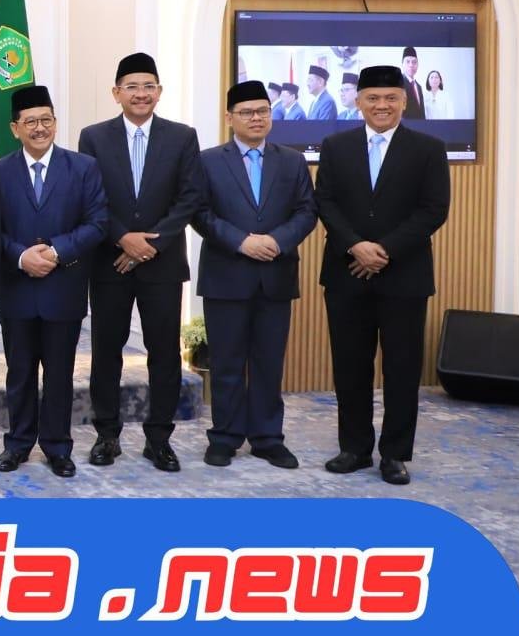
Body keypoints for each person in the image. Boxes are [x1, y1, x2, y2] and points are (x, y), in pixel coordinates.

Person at [315, 64, 450, 485]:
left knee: (402, 369)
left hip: (404, 276)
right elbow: (325, 202)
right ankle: (354, 448)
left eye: (391, 98)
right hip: (346, 272)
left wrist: (384, 250)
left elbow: (434, 209)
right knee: (350, 366)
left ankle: (394, 454)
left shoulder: (428, 149)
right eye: (373, 98)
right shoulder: (335, 146)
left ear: (404, 102)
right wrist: (356, 245)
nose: (382, 105)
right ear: (359, 102)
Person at [75, 53, 203, 472]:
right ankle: (107, 435)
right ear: (116, 93)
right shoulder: (94, 137)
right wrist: (123, 239)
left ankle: (159, 438)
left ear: (159, 92)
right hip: (110, 262)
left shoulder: (182, 137)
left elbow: (189, 198)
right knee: (106, 352)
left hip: (162, 265)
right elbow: (90, 197)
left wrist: (151, 244)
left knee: (163, 353)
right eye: (132, 86)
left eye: (149, 86)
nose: (141, 93)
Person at [191, 81, 319, 469]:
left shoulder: (292, 161)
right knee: (226, 362)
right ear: (229, 117)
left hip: (275, 275)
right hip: (226, 274)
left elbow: (307, 211)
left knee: (268, 362)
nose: (256, 118)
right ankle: (225, 437)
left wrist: (277, 241)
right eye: (247, 112)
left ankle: (267, 438)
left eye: (263, 111)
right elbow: (199, 212)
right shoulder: (207, 161)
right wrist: (242, 241)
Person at [0, 85, 108, 477]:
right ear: (15, 128)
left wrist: (57, 252)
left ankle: (58, 447)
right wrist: (21, 256)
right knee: (19, 374)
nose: (39, 128)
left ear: (56, 123)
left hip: (64, 288)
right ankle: (17, 444)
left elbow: (98, 222)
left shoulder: (83, 168)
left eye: (46, 120)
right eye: (30, 122)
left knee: (60, 375)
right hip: (17, 288)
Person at [399, 47, 426, 120]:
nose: (411, 65)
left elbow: (422, 113)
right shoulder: (397, 83)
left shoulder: (419, 87)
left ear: (417, 65)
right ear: (402, 64)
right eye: (408, 61)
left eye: (414, 62)